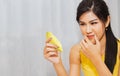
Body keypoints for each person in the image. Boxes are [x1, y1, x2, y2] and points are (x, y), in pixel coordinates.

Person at [43, 0, 120, 76]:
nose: (88, 30)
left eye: (93, 23)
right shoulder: (77, 50)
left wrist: (96, 58)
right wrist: (57, 63)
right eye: (82, 24)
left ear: (107, 21)